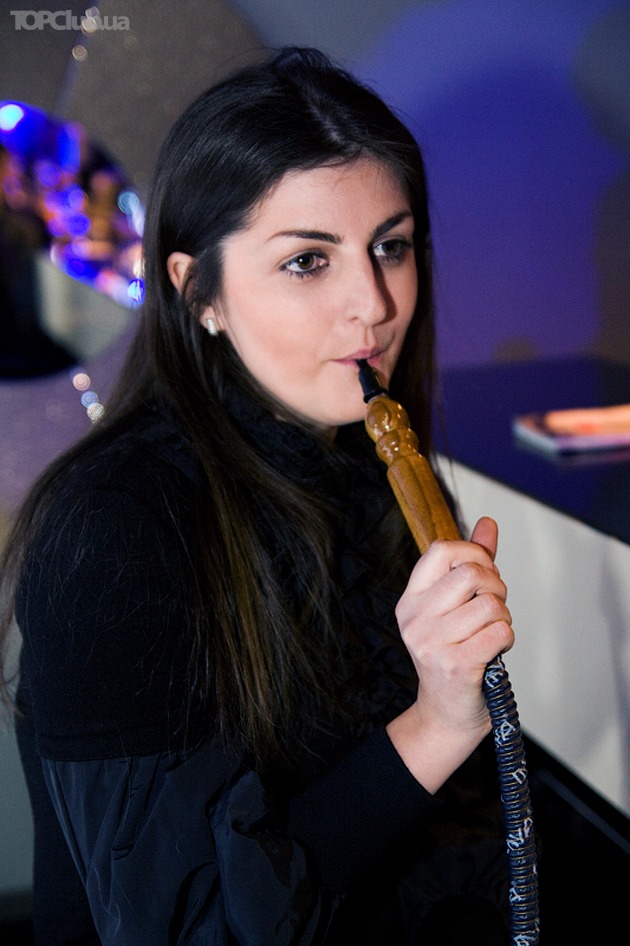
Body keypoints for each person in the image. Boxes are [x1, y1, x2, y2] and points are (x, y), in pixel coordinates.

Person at [0, 48, 514, 945]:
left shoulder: (369, 462)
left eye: (390, 247)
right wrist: (437, 722)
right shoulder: (113, 531)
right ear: (197, 291)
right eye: (308, 261)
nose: (374, 304)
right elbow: (196, 926)